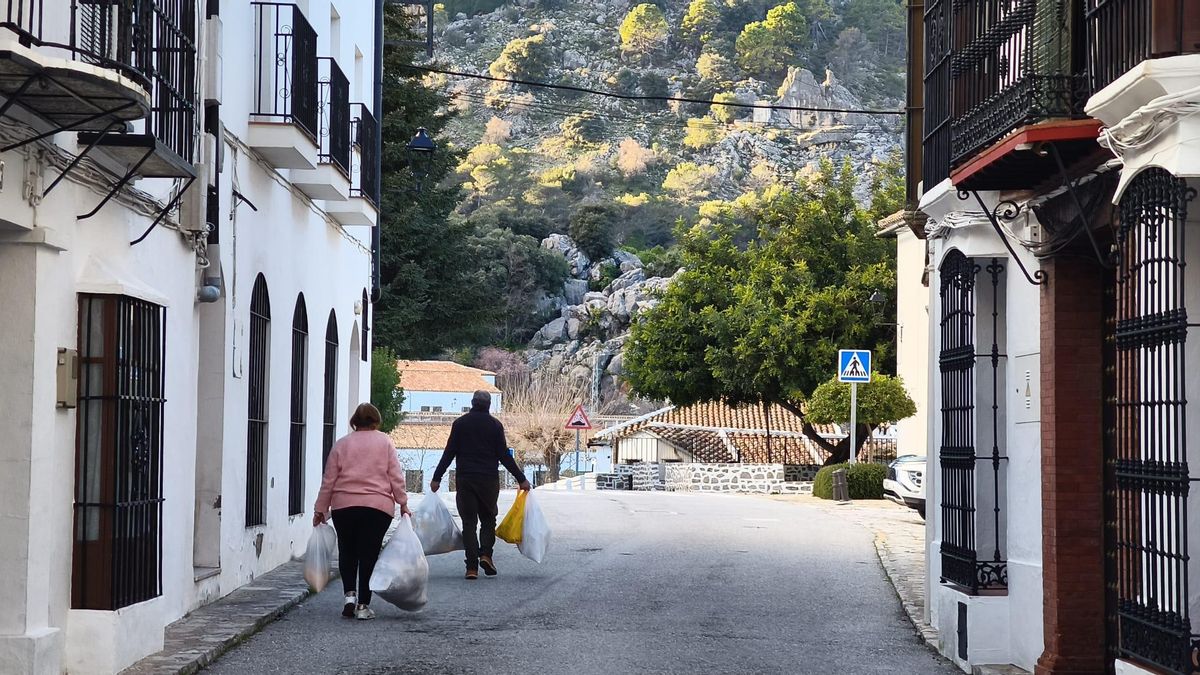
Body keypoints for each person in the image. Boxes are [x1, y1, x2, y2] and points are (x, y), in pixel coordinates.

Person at [314, 402, 409, 620]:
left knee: (347, 551)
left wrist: (320, 509)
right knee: (369, 555)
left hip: (344, 507)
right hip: (377, 508)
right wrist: (403, 502)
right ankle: (363, 606)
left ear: (354, 422)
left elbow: (329, 480)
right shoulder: (385, 442)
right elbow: (395, 476)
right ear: (376, 420)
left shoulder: (341, 444)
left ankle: (349, 596)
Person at [431, 390, 531, 580]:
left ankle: (471, 568)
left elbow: (449, 452)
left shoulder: (460, 424)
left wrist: (437, 478)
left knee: (469, 523)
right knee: (488, 519)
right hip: (488, 479)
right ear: (488, 405)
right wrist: (521, 478)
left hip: (465, 478)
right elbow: (504, 455)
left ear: (472, 403)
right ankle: (486, 554)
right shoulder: (495, 425)